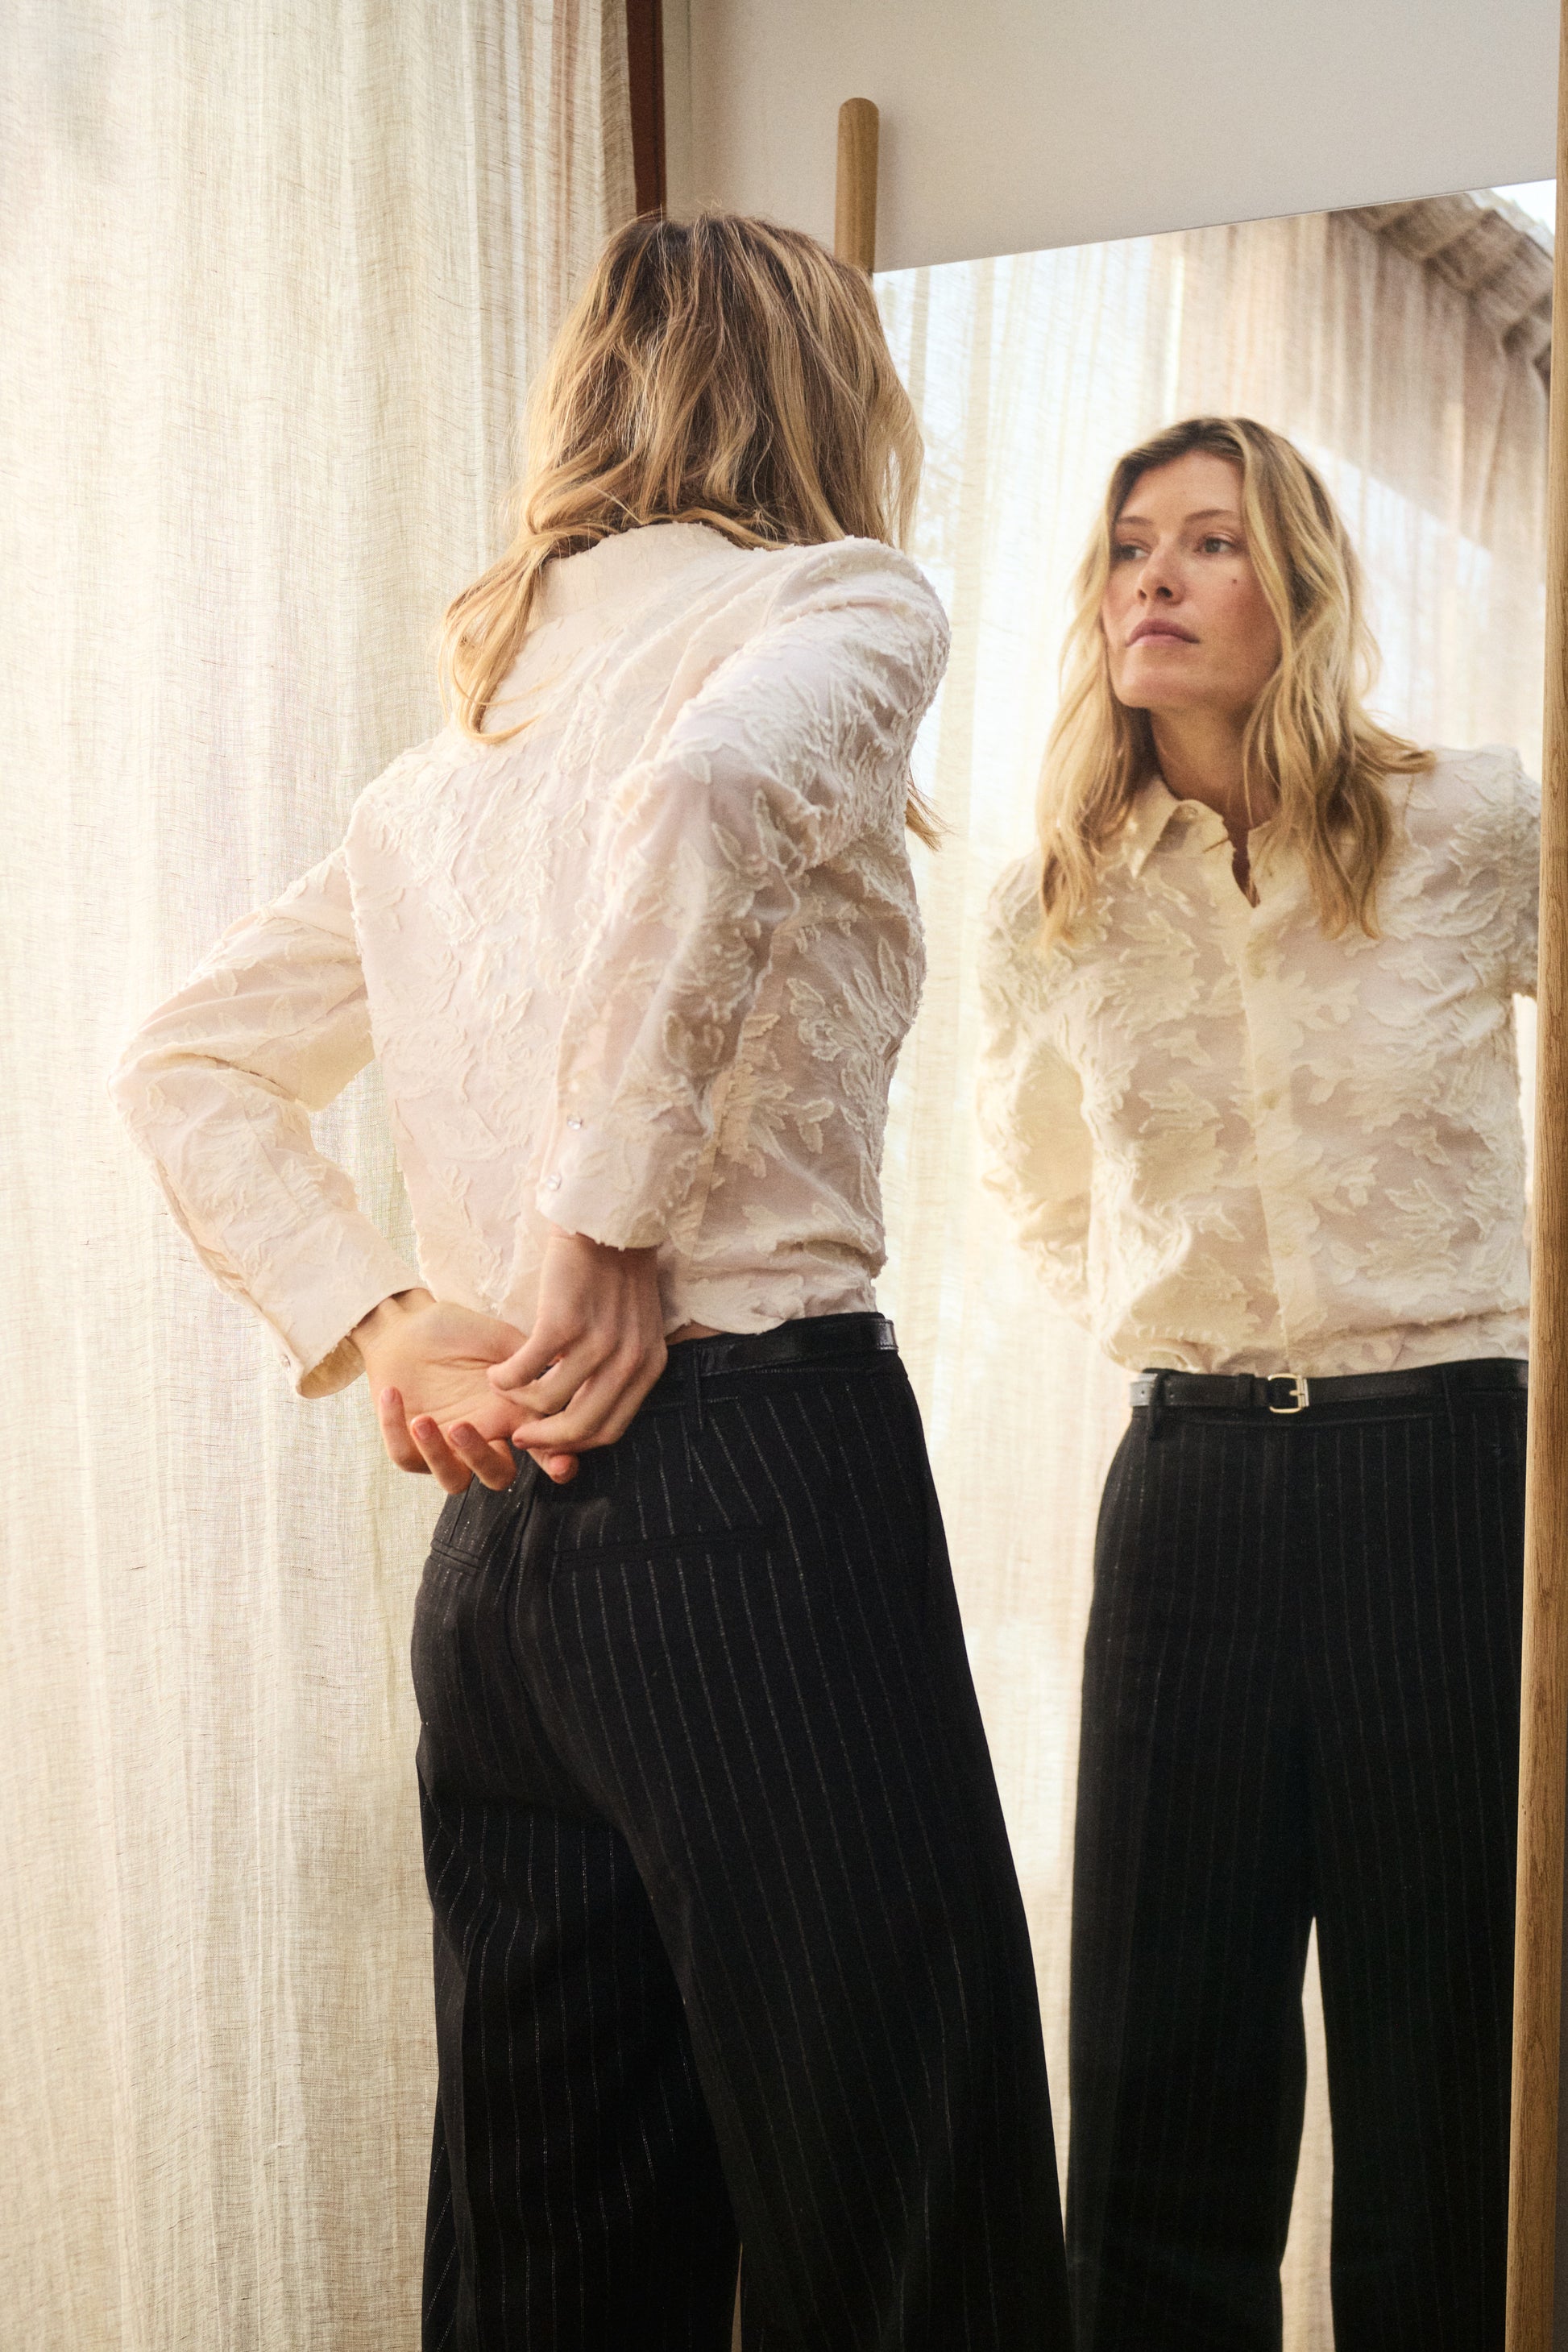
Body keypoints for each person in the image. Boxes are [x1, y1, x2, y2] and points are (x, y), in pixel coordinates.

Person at [113, 212, 1071, 2350]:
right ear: (826, 390)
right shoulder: (841, 600)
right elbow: (715, 786)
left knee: (554, 2251)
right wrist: (602, 1224)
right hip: (759, 1487)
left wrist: (385, 1318)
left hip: (502, 1570)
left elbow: (180, 1062)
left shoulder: (443, 772)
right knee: (910, 2220)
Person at [977, 414, 1537, 2352]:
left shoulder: (1476, 821)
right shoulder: (1052, 897)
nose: (1154, 574)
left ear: (1294, 584)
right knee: (1159, 2052)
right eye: (1129, 543)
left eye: (1208, 540)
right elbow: (1035, 1185)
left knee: (1447, 2044)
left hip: (1448, 1469)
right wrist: (1191, 1329)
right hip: (1192, 1485)